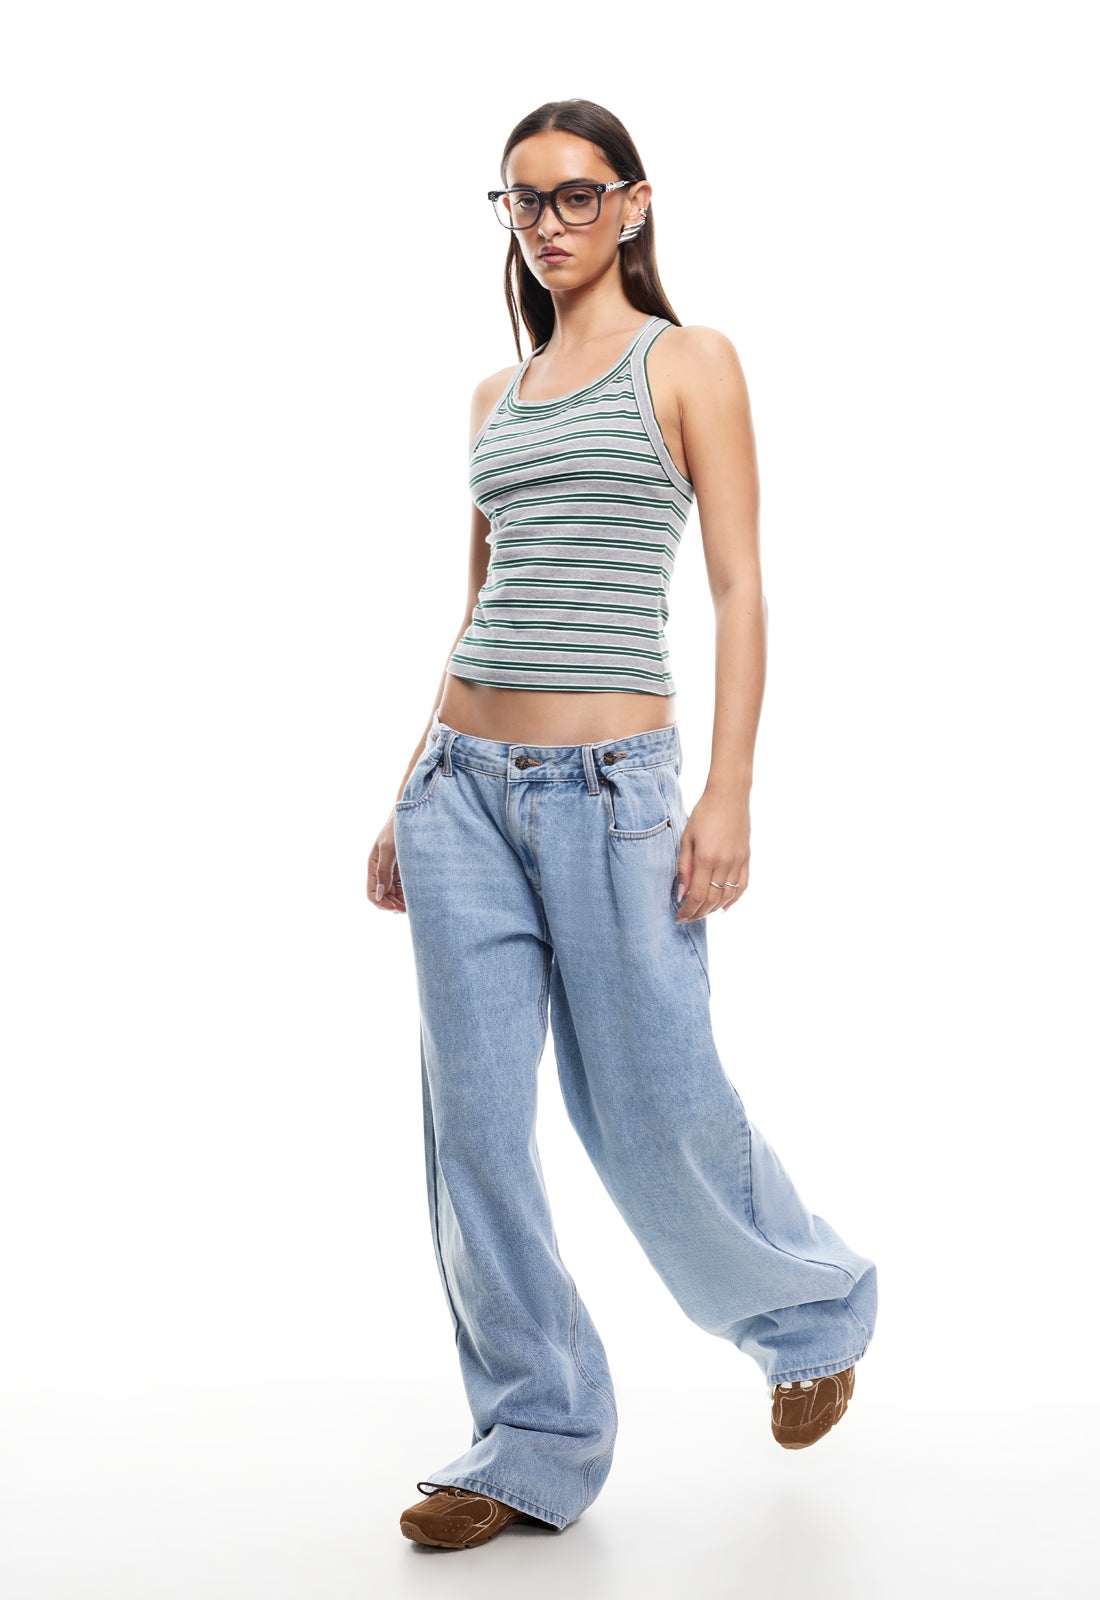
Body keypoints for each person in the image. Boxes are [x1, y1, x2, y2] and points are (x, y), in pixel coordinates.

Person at [368, 98, 878, 1552]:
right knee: (475, 1130)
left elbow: (738, 584)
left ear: (634, 203)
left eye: (577, 194)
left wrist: (730, 787)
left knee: (652, 1104)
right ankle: (532, 1438)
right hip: (462, 792)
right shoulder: (498, 393)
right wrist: (408, 784)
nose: (549, 222)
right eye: (523, 199)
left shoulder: (689, 360)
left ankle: (809, 1314)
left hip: (614, 795)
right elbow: (481, 600)